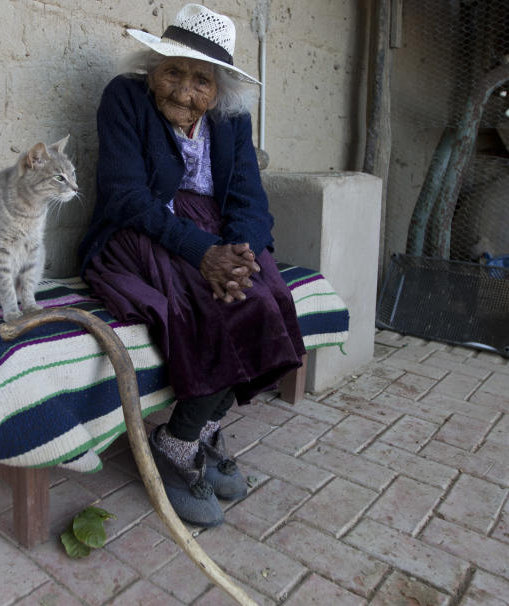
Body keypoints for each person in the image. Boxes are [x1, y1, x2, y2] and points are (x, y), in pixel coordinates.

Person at [78, 4, 305, 527]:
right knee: (218, 309)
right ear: (153, 66)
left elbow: (250, 199)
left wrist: (241, 256)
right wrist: (201, 253)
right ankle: (178, 445)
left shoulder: (231, 118)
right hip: (142, 231)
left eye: (200, 79)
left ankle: (196, 431)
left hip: (220, 238)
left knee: (273, 300)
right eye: (173, 71)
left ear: (219, 87)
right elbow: (125, 195)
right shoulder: (124, 98)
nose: (184, 91)